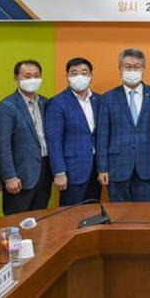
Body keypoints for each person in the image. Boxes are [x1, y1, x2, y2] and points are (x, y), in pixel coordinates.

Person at [96, 48, 150, 202]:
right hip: (117, 167)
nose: (132, 71)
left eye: (137, 67)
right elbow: (102, 137)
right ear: (120, 69)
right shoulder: (107, 98)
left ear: (144, 69)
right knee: (118, 213)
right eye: (127, 67)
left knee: (145, 213)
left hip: (147, 166)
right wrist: (102, 168)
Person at [0, 59, 51, 215]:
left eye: (36, 76)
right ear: (16, 78)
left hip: (45, 171)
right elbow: (3, 145)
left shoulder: (45, 102)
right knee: (17, 221)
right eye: (27, 76)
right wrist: (9, 176)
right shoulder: (7, 106)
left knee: (40, 218)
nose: (32, 79)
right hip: (20, 175)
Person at [45, 57, 101, 206]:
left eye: (84, 72)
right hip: (71, 170)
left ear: (91, 76)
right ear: (67, 76)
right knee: (70, 214)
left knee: (93, 211)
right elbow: (54, 140)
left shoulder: (99, 100)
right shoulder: (57, 102)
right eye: (74, 73)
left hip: (96, 169)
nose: (79, 76)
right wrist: (59, 172)